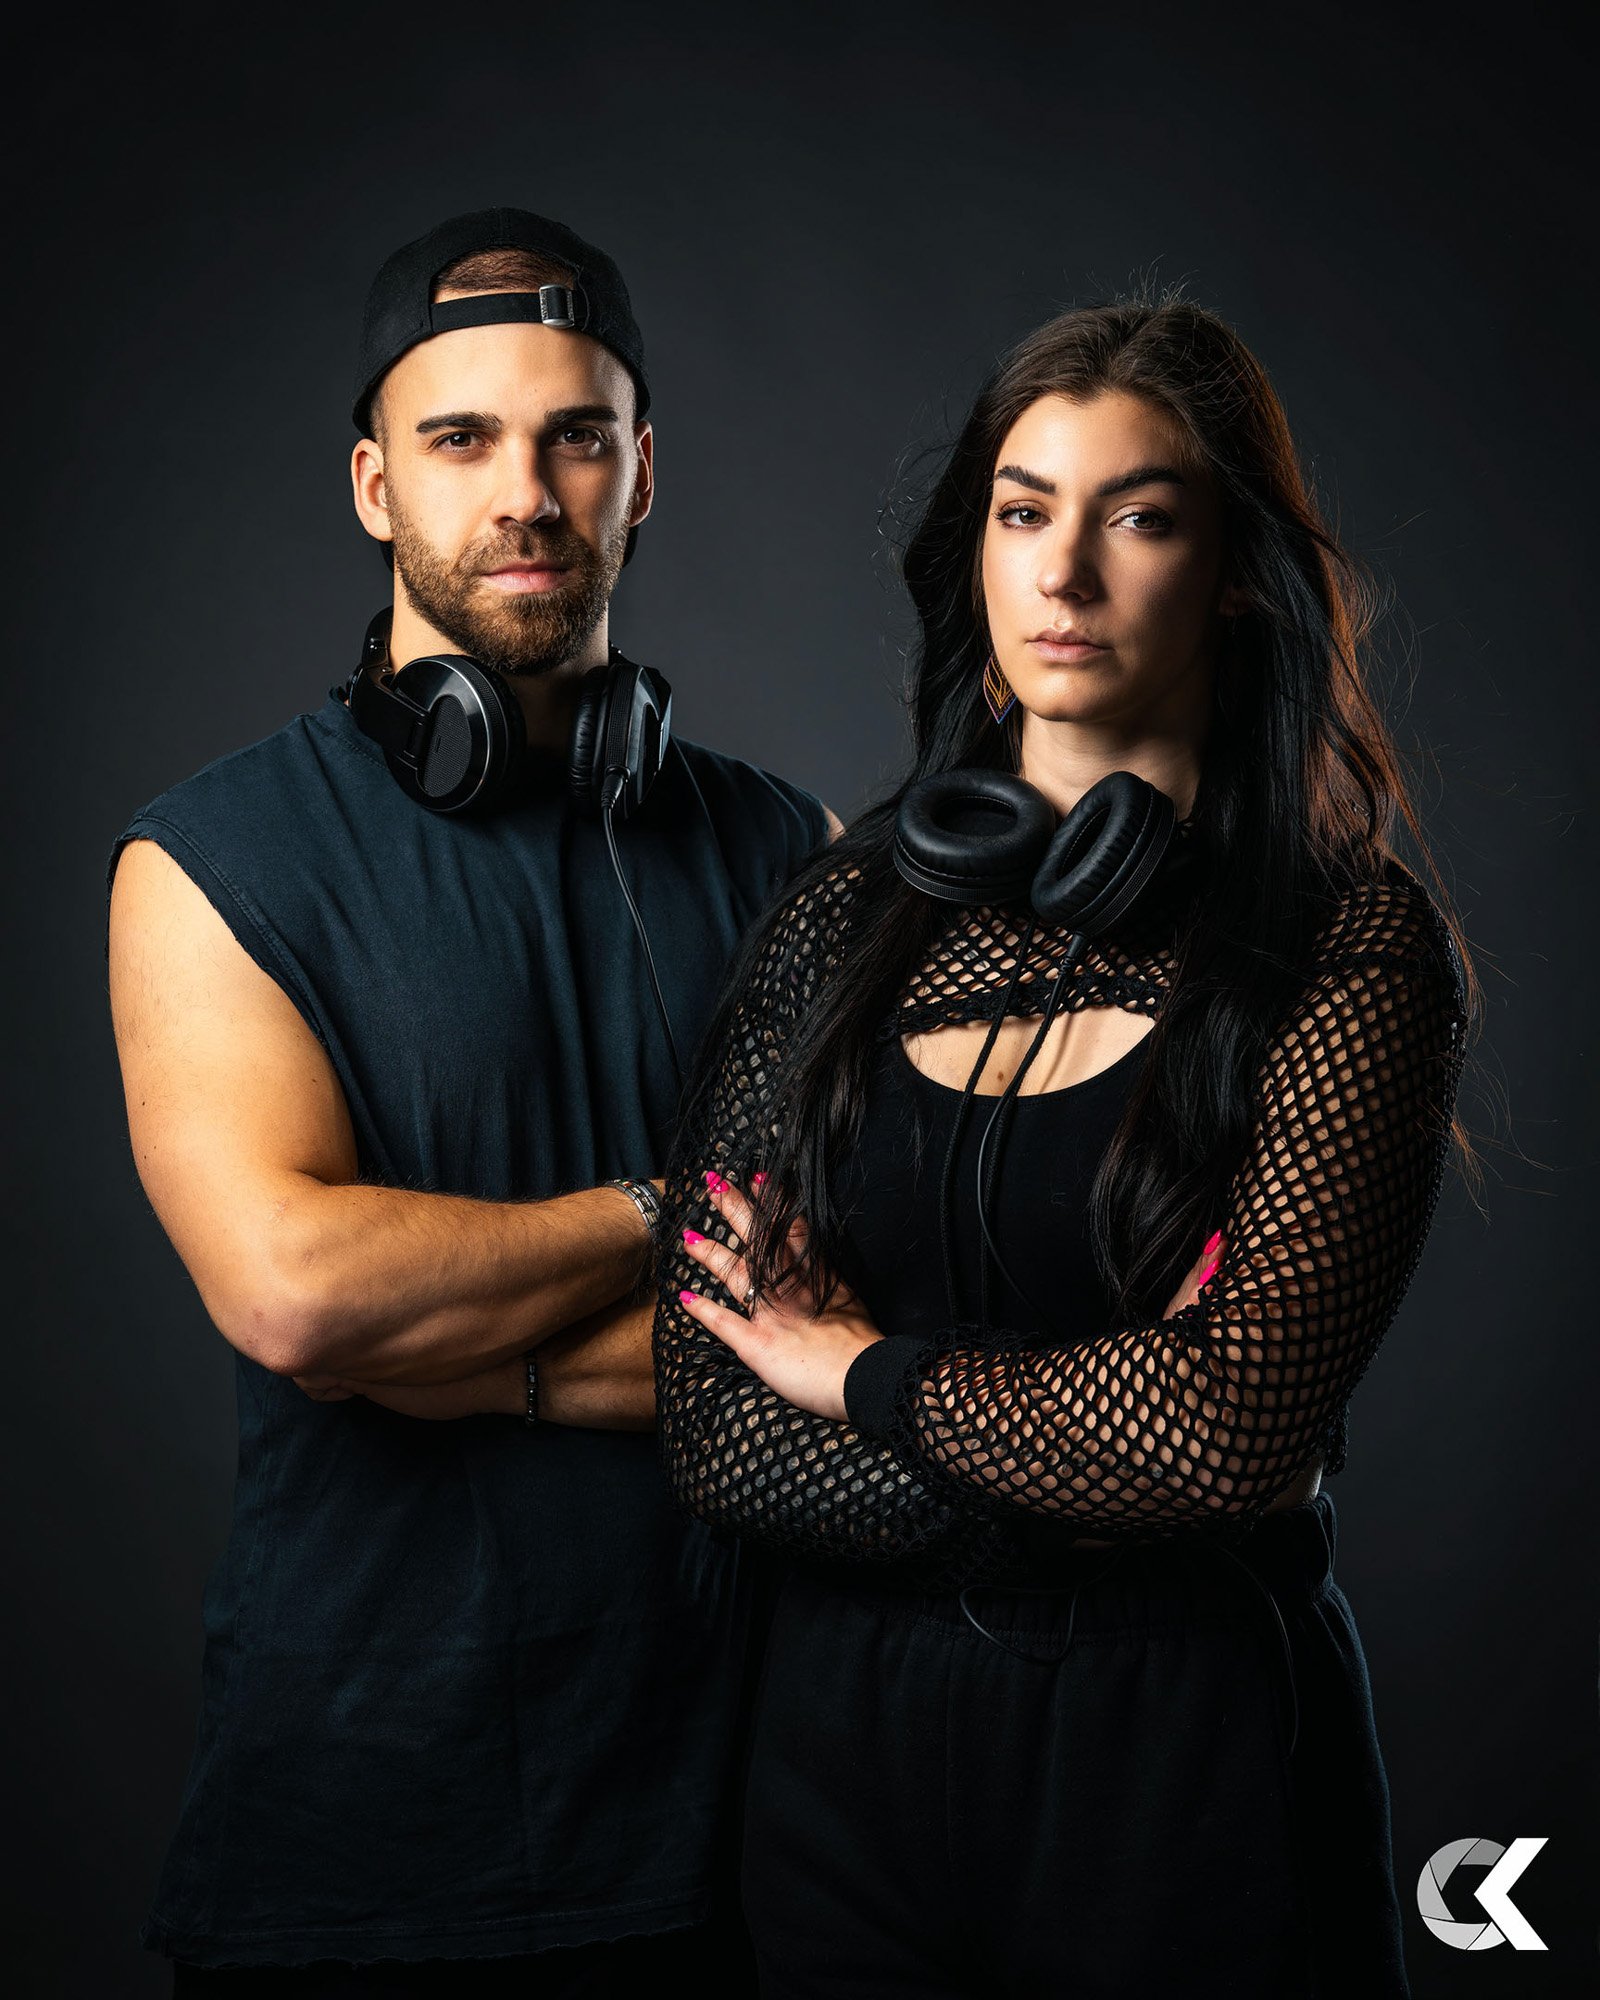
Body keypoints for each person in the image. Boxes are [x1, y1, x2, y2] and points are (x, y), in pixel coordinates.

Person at [655, 296, 1470, 1997]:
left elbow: (1234, 1431)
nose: (1064, 574)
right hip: (834, 1773)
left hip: (1183, 1762)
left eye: (1139, 516)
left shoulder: (1348, 951)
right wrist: (1109, 1465)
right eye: (1024, 512)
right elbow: (723, 1423)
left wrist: (863, 1371)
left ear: (1233, 570)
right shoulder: (835, 923)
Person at [105, 207, 837, 1994]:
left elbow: (857, 1324)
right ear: (374, 485)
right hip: (364, 1858)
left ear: (642, 471)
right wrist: (666, 1224)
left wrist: (460, 1357)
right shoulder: (209, 862)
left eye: (576, 436)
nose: (527, 492)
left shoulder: (792, 854)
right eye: (462, 439)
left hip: (759, 1838)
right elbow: (298, 1291)